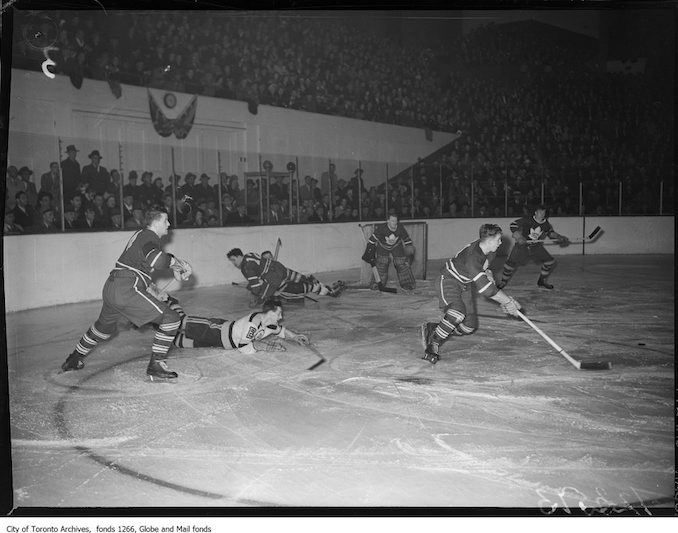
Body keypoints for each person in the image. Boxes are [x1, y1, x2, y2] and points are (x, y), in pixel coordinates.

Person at [60, 209, 193, 381]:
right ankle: (156, 364)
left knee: (102, 329)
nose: (169, 224)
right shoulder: (149, 236)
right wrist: (176, 262)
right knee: (172, 318)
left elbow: (152, 258)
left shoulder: (142, 236)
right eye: (166, 220)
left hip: (112, 286)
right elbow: (157, 260)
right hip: (127, 287)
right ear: (155, 222)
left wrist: (176, 265)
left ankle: (74, 358)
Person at [420, 223, 522, 365]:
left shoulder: (491, 251)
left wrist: (488, 274)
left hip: (464, 284)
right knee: (457, 313)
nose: (500, 243)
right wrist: (507, 301)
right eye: (498, 240)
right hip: (448, 280)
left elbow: (484, 269)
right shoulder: (472, 257)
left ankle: (435, 328)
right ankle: (433, 344)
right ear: (490, 240)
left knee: (469, 326)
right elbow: (486, 290)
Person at [169, 297, 309, 353]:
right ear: (270, 313)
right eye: (278, 314)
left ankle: (158, 327)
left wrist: (295, 336)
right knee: (181, 321)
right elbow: (242, 347)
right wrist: (265, 347)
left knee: (180, 342)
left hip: (220, 341)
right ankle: (171, 303)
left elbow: (282, 331)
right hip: (217, 330)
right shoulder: (253, 323)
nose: (281, 317)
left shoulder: (270, 325)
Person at [226, 248, 344, 305]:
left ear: (239, 256)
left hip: (275, 279)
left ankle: (329, 292)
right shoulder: (250, 254)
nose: (233, 263)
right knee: (304, 279)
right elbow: (261, 267)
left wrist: (257, 297)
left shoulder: (246, 267)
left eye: (233, 260)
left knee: (303, 288)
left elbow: (257, 286)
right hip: (280, 268)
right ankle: (326, 288)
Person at [496, 205, 570, 290]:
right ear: (535, 212)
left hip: (536, 247)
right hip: (522, 246)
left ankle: (541, 281)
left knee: (550, 262)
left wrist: (560, 237)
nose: (542, 214)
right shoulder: (528, 220)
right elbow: (513, 224)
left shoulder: (546, 224)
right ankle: (503, 282)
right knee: (510, 264)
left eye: (543, 212)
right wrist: (519, 237)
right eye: (540, 212)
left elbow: (551, 233)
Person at [362, 212, 416, 290]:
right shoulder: (382, 228)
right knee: (381, 263)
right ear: (388, 221)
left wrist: (409, 247)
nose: (394, 223)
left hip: (397, 245)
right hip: (383, 246)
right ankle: (377, 283)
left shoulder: (400, 227)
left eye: (395, 221)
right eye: (392, 221)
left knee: (401, 263)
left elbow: (406, 239)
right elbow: (372, 240)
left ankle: (407, 283)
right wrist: (369, 249)